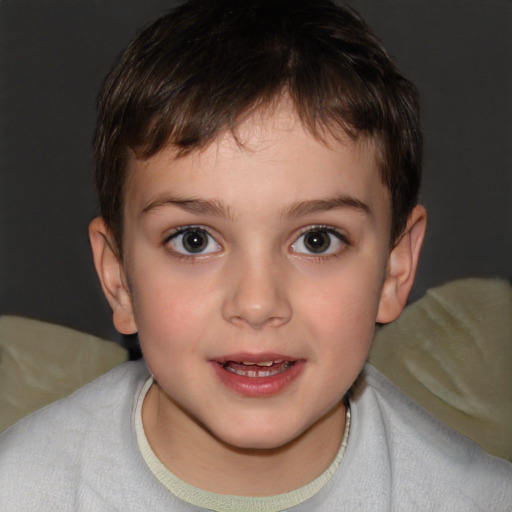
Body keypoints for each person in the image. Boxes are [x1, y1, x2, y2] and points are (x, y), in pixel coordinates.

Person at [0, 0, 510, 510]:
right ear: (117, 278)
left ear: (394, 270)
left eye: (317, 240)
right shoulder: (21, 489)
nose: (258, 303)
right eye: (194, 240)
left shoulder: (476, 500)